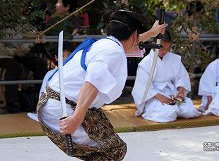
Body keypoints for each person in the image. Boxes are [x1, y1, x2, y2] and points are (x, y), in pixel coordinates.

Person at [37, 10, 167, 160]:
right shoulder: (112, 51)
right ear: (133, 36)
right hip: (63, 109)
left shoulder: (107, 45)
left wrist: (152, 32)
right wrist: (77, 118)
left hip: (59, 103)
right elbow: (93, 80)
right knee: (113, 150)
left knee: (109, 148)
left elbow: (132, 45)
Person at [132, 31, 201, 123]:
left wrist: (180, 92)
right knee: (169, 113)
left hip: (172, 92)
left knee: (189, 111)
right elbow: (142, 85)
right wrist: (159, 96)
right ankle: (152, 109)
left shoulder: (174, 59)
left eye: (168, 48)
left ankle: (175, 109)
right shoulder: (146, 63)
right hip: (154, 96)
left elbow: (181, 77)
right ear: (154, 43)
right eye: (162, 48)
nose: (165, 51)